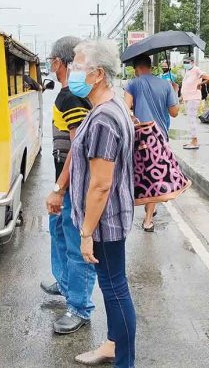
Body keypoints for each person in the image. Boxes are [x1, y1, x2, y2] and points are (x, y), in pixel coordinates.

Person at [68, 39, 136, 368]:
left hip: (105, 221)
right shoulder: (114, 105)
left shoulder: (103, 119)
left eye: (77, 66)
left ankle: (124, 361)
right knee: (114, 285)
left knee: (114, 288)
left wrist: (85, 232)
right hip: (113, 215)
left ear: (96, 74)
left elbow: (100, 183)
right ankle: (113, 347)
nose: (72, 72)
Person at [43, 36, 97, 335]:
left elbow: (78, 148)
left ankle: (79, 306)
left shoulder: (71, 97)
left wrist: (60, 188)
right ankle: (65, 283)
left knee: (77, 246)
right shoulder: (66, 94)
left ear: (56, 63)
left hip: (75, 185)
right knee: (59, 233)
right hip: (66, 181)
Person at [124, 54, 179, 232]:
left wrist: (134, 116)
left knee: (141, 174)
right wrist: (174, 92)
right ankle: (148, 219)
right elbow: (174, 112)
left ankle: (144, 210)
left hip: (140, 137)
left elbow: (126, 109)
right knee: (155, 177)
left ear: (136, 69)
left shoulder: (132, 84)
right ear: (151, 66)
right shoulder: (166, 84)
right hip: (160, 136)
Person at [180, 55, 209, 149]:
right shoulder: (188, 71)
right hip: (187, 97)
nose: (185, 64)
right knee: (189, 120)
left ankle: (194, 141)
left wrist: (200, 83)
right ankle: (192, 140)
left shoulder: (196, 70)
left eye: (187, 62)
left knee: (192, 119)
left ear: (192, 62)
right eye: (184, 62)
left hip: (193, 98)